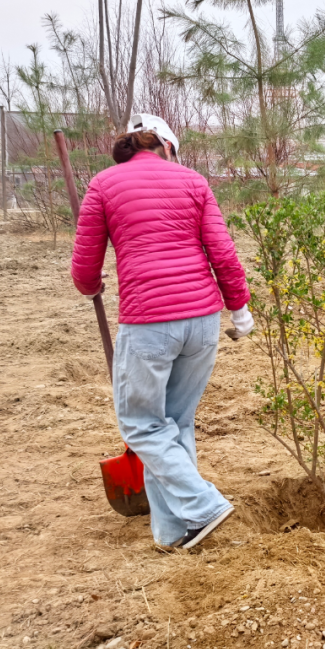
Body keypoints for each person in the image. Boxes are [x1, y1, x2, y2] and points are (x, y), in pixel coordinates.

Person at [71, 114, 254, 550]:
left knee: (141, 425)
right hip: (203, 322)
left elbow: (85, 267)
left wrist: (90, 286)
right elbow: (223, 253)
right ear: (168, 146)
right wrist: (240, 308)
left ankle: (203, 503)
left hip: (150, 322)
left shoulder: (104, 185)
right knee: (175, 423)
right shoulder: (193, 182)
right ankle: (174, 531)